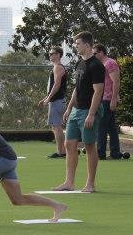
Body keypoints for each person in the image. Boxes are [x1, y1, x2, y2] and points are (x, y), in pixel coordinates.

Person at [54, 31, 106, 192]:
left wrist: (91, 113)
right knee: (69, 144)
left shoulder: (96, 66)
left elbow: (98, 91)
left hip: (88, 111)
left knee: (90, 146)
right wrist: (69, 108)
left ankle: (90, 184)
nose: (76, 46)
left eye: (78, 44)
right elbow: (77, 89)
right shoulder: (79, 63)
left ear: (87, 45)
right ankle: (69, 182)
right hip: (76, 110)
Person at [93, 43, 122, 160]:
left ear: (101, 52)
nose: (93, 55)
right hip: (103, 98)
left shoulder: (110, 63)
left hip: (107, 99)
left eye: (95, 53)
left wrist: (114, 99)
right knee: (111, 127)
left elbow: (116, 81)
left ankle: (100, 153)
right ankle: (115, 153)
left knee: (101, 126)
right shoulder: (101, 64)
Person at [39, 45, 67, 159]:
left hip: (57, 101)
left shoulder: (58, 67)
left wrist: (48, 99)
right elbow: (53, 86)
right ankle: (62, 151)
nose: (50, 55)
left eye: (52, 54)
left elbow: (57, 85)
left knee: (56, 126)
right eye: (49, 54)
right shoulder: (56, 67)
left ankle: (61, 152)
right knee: (55, 126)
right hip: (56, 101)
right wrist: (46, 98)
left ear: (58, 55)